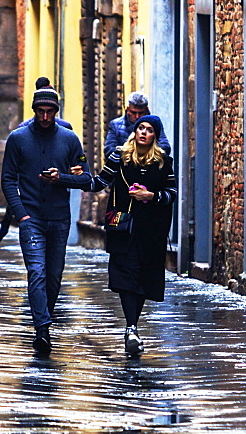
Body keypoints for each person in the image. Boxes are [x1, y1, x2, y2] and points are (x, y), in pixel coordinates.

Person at [56, 113, 176, 357]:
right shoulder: (119, 156)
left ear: (155, 134)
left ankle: (132, 327)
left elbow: (172, 192)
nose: (144, 132)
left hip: (152, 229)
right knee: (126, 275)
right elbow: (100, 182)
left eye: (149, 129)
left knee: (143, 277)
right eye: (140, 128)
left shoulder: (164, 161)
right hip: (123, 226)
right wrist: (75, 179)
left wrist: (151, 196)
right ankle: (131, 328)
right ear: (134, 131)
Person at [0, 78, 91, 355]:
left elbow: (86, 179)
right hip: (32, 219)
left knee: (53, 276)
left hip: (60, 219)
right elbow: (7, 179)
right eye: (40, 111)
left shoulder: (69, 139)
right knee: (36, 272)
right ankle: (42, 330)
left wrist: (61, 178)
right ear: (34, 109)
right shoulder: (18, 139)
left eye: (50, 111)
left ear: (56, 111)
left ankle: (45, 320)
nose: (45, 116)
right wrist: (22, 215)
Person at [104, 91, 171, 160]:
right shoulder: (115, 125)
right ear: (128, 110)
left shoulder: (155, 124)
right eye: (133, 112)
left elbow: (165, 147)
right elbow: (109, 150)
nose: (137, 116)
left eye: (141, 113)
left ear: (146, 110)